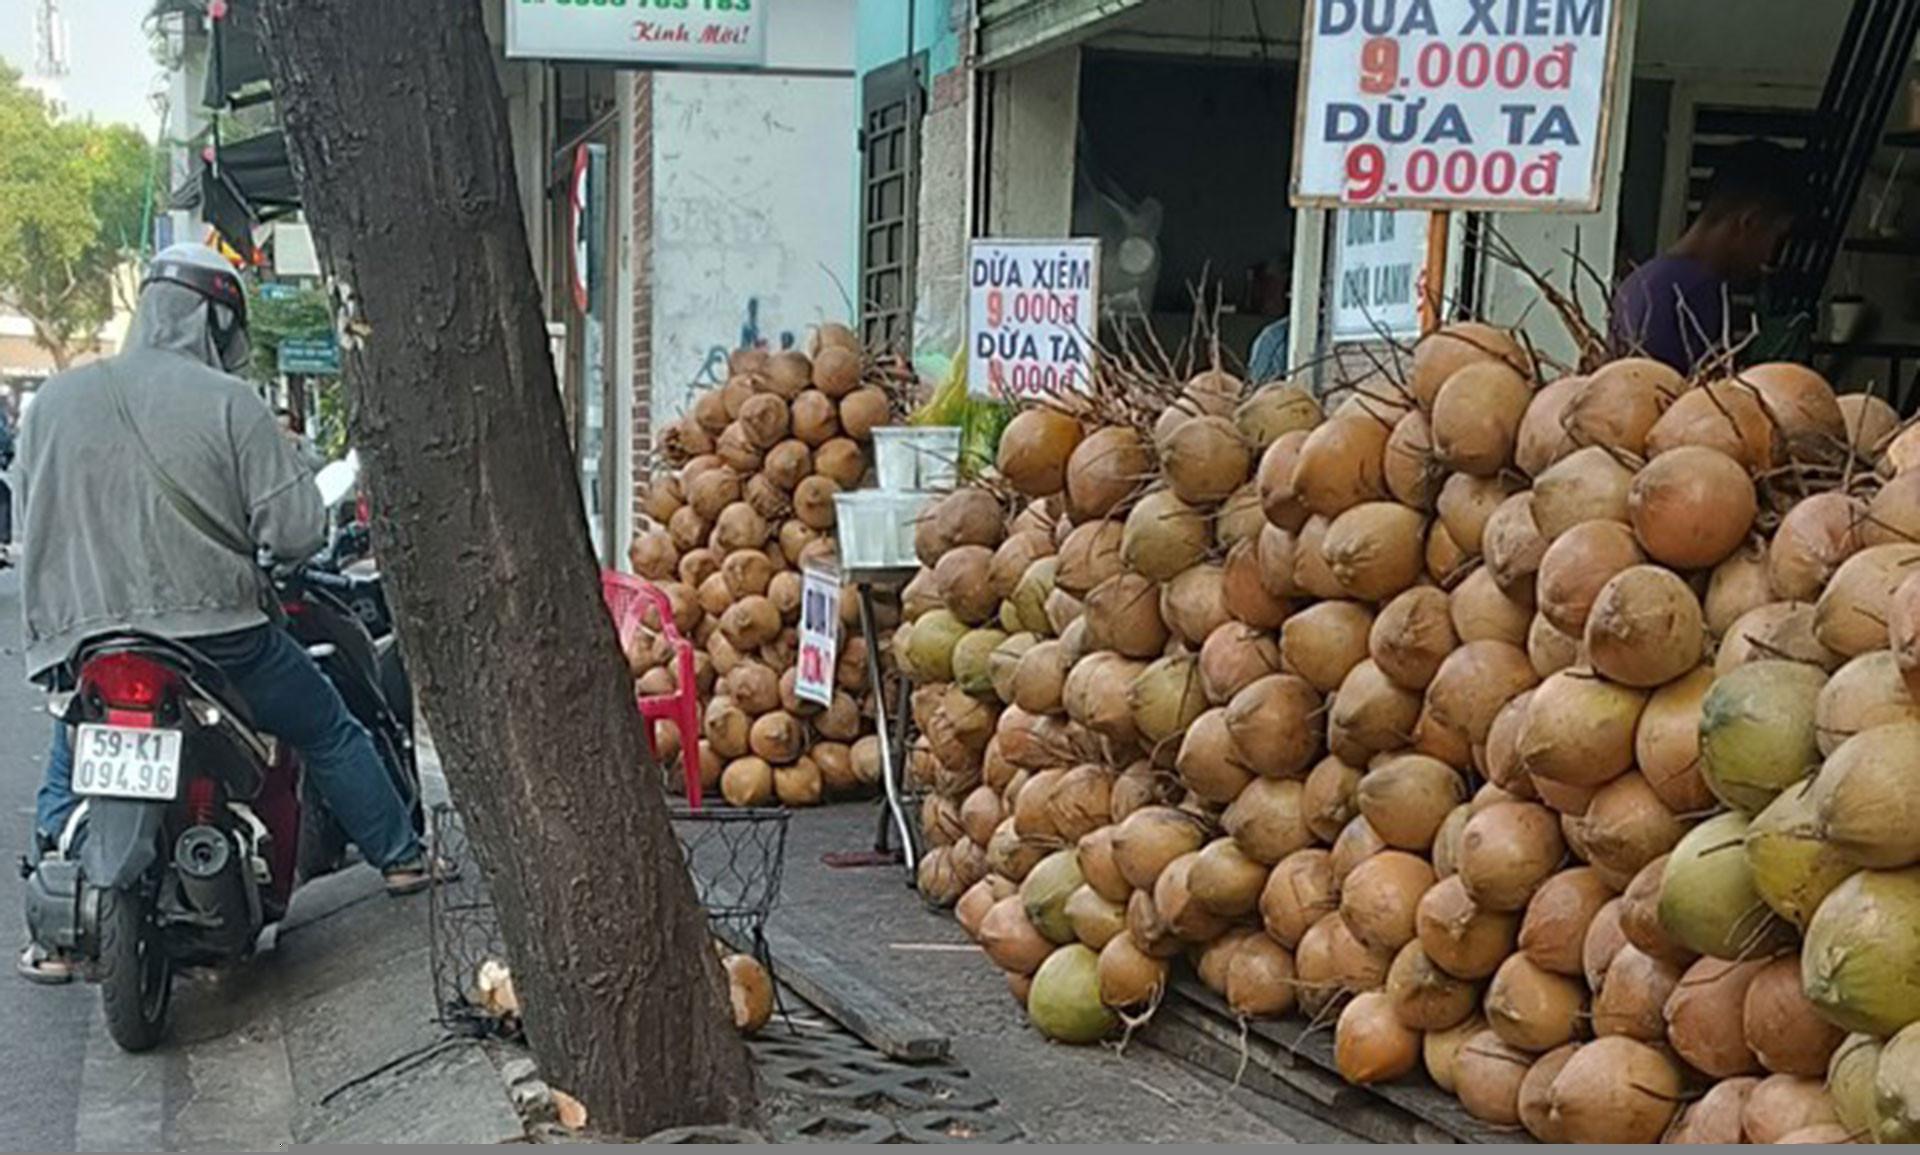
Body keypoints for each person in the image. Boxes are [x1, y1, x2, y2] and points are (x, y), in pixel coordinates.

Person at [14, 243, 449, 983]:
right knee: (325, 725)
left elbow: (31, 516)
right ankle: (403, 857)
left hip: (90, 639)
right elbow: (298, 532)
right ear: (216, 320)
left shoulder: (53, 401)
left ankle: (55, 919)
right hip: (219, 639)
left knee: (72, 744)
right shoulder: (231, 403)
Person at [1610, 139, 1805, 375]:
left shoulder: (1641, 281)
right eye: (1776, 237)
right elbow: (1706, 402)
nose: (1769, 257)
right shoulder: (1698, 291)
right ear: (1750, 223)